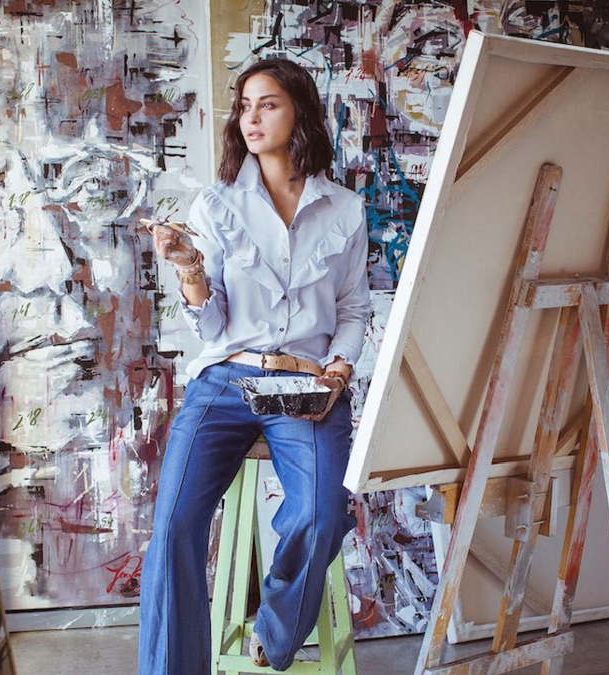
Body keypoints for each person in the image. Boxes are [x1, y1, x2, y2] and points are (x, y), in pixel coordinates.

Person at [137, 57, 372, 674]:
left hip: (307, 384)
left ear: (300, 111)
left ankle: (275, 630)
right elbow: (212, 325)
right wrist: (189, 267)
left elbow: (353, 309)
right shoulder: (216, 205)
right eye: (244, 106)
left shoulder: (345, 210)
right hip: (225, 380)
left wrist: (338, 372)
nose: (251, 117)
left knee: (321, 513)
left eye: (267, 104)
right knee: (173, 527)